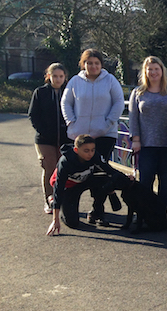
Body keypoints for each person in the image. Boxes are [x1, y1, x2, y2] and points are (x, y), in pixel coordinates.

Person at [61, 48, 125, 223]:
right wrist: (71, 122)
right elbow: (66, 102)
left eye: (96, 63)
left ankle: (98, 209)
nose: (93, 66)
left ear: (101, 65)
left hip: (104, 134)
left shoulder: (110, 81)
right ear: (84, 64)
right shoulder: (75, 81)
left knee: (99, 172)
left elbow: (119, 102)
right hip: (79, 135)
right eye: (89, 63)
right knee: (80, 172)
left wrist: (108, 123)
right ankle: (71, 205)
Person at [46, 135, 133, 235]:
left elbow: (109, 170)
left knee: (105, 179)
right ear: (76, 150)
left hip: (84, 180)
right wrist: (55, 220)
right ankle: (54, 203)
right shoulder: (65, 162)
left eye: (92, 150)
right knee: (72, 223)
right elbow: (59, 189)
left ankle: (97, 212)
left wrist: (127, 178)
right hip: (68, 187)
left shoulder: (94, 156)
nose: (90, 154)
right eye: (86, 151)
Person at [128, 56, 167, 212]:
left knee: (165, 181)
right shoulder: (138, 93)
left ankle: (161, 215)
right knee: (145, 181)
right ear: (145, 72)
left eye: (156, 69)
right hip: (146, 145)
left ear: (162, 71)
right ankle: (145, 214)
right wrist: (135, 139)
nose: (154, 72)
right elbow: (133, 118)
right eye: (150, 69)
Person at [28, 63, 72, 214]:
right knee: (49, 167)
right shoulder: (40, 92)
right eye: (55, 76)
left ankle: (63, 200)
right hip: (45, 139)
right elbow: (33, 115)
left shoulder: (69, 92)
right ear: (48, 76)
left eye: (61, 76)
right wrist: (43, 131)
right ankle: (49, 199)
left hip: (66, 138)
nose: (58, 79)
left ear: (65, 77)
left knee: (63, 169)